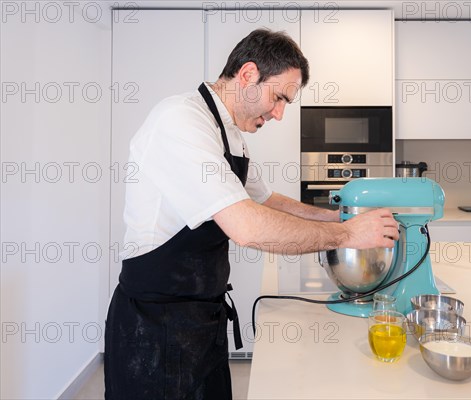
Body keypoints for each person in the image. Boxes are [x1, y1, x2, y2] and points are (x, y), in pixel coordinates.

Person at [104, 29, 399, 399]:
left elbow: (265, 200)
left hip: (202, 319)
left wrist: (337, 219)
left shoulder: (231, 134)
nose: (278, 114)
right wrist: (349, 236)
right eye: (278, 98)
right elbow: (246, 226)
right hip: (154, 327)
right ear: (247, 75)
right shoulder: (180, 121)